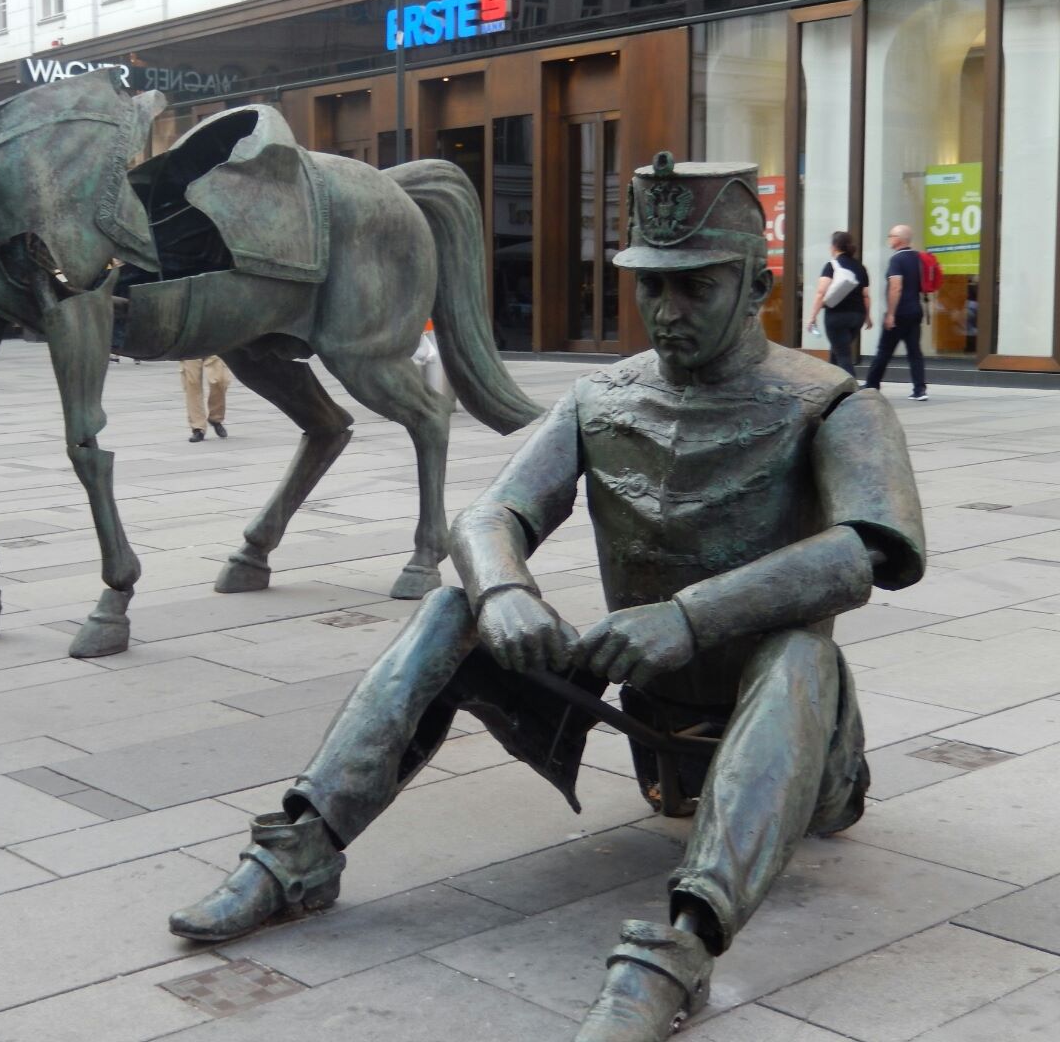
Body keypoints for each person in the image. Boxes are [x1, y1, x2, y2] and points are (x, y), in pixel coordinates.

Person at [168, 154, 925, 1042]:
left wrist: (687, 617)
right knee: (453, 611)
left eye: (696, 288)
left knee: (801, 651)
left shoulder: (833, 404)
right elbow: (493, 513)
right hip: (645, 718)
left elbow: (864, 552)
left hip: (798, 741)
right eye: (652, 289)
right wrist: (503, 589)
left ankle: (681, 945)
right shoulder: (602, 397)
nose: (667, 312)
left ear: (756, 285)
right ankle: (300, 848)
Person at [864, 224, 928, 401]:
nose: (889, 239)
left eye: (890, 235)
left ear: (899, 239)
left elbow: (895, 287)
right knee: (915, 352)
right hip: (916, 310)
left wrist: (891, 313)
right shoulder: (918, 258)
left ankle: (871, 384)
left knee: (884, 350)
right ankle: (920, 389)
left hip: (900, 313)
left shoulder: (897, 260)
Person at [805, 230, 871, 377]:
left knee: (843, 355)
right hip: (857, 317)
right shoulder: (860, 267)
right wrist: (867, 316)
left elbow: (821, 292)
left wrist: (812, 317)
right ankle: (830, 382)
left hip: (837, 316)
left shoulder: (831, 266)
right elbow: (866, 295)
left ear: (834, 246)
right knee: (838, 349)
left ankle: (852, 392)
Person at [181, 356, 229, 442]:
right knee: (192, 383)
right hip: (190, 347)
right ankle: (198, 428)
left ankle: (215, 418)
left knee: (220, 379)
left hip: (211, 344)